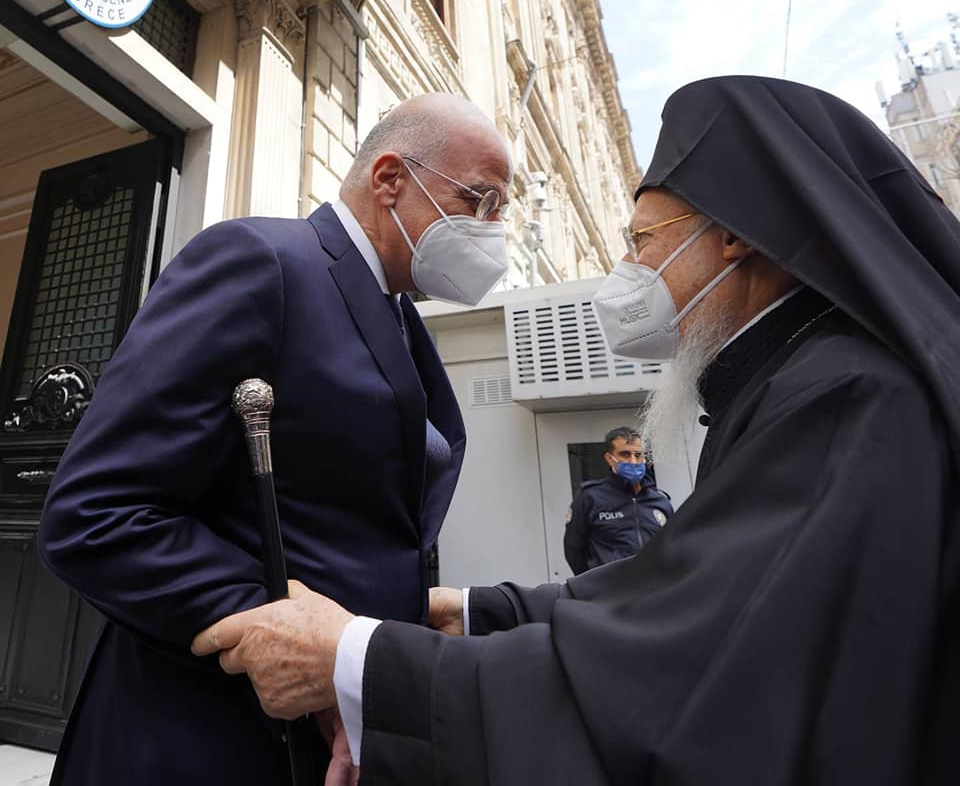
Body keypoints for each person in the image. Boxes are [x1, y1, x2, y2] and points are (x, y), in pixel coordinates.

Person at [192, 75, 960, 786]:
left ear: (733, 236)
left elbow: (684, 672)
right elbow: (682, 596)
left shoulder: (847, 395)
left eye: (643, 241)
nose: (627, 267)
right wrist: (483, 610)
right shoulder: (807, 378)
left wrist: (358, 662)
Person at [36, 92, 513, 785]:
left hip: (325, 743)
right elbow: (95, 514)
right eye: (481, 200)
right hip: (201, 738)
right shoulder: (261, 261)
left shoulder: (403, 320)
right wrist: (283, 630)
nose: (493, 230)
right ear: (389, 180)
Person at [563, 427, 672, 574]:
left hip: (656, 588)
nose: (633, 461)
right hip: (610, 592)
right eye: (625, 454)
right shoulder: (590, 497)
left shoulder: (659, 500)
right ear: (609, 458)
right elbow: (573, 548)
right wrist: (592, 588)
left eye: (638, 455)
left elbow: (673, 544)